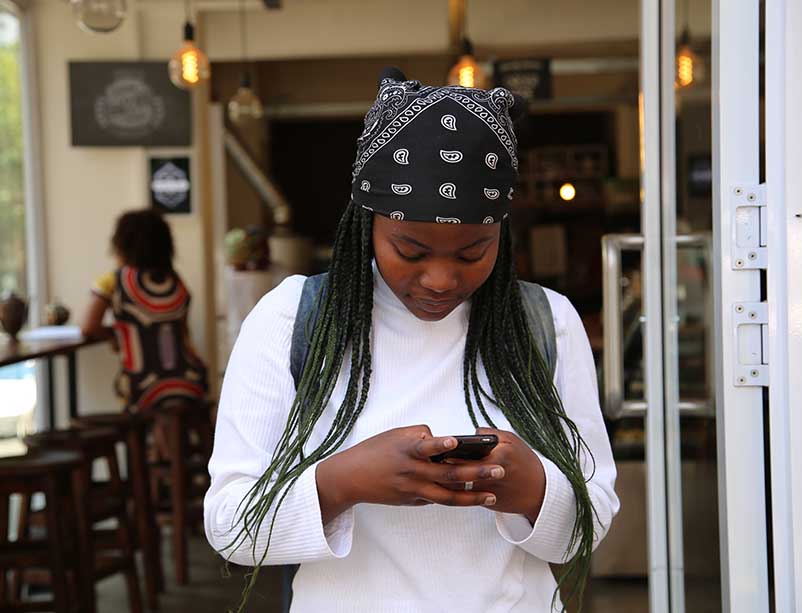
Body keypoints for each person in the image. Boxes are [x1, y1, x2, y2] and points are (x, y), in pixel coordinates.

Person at [204, 69, 619, 612]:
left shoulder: (546, 322)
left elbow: (593, 520)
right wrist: (343, 481)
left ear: (502, 233)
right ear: (366, 222)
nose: (441, 280)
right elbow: (231, 527)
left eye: (474, 253)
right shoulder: (291, 320)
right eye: (412, 251)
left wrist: (534, 488)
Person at [80, 209, 208, 416]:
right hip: (190, 379)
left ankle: (138, 448)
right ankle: (169, 447)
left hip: (141, 384)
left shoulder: (113, 280)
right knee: (169, 410)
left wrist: (117, 334)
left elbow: (88, 327)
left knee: (136, 402)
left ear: (121, 245)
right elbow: (182, 333)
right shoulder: (175, 282)